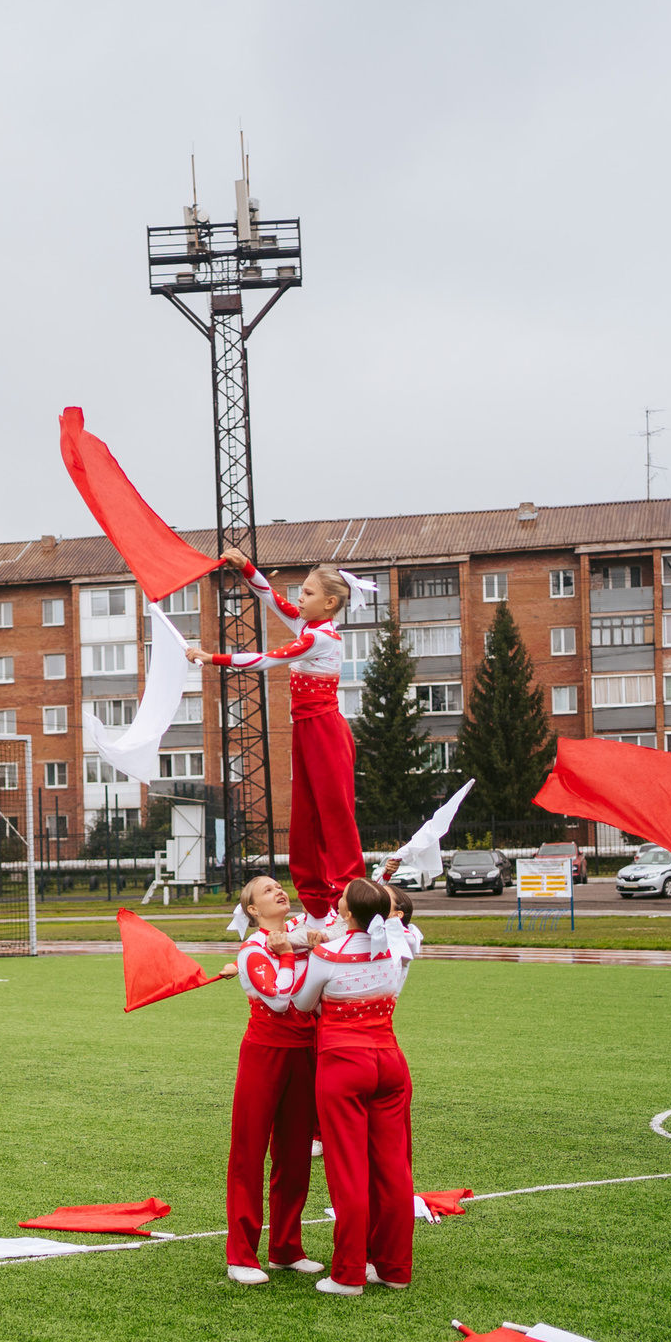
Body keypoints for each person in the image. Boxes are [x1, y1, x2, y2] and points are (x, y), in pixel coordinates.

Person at [187, 548, 366, 921]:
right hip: (304, 729)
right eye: (301, 591)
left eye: (309, 593)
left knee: (334, 814)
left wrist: (211, 657)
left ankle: (352, 899)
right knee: (304, 815)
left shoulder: (322, 638)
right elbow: (272, 597)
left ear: (330, 602)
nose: (300, 598)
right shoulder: (306, 626)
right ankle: (317, 905)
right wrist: (246, 567)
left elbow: (269, 659)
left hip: (326, 731)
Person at [290, 877, 417, 1296]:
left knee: (347, 1171)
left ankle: (348, 1272)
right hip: (390, 1060)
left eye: (340, 901)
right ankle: (395, 1268)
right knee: (394, 1170)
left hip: (343, 1064)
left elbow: (303, 1003)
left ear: (346, 913)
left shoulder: (328, 954)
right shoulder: (396, 946)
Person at [224, 875, 323, 1286]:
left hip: (306, 1052)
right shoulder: (252, 950)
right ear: (252, 910)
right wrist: (284, 955)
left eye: (280, 886)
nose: (279, 891)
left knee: (297, 1155)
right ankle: (241, 1256)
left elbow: (341, 922)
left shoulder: (300, 933)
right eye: (267, 891)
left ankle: (286, 1248)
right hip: (265, 1054)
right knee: (249, 1155)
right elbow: (281, 999)